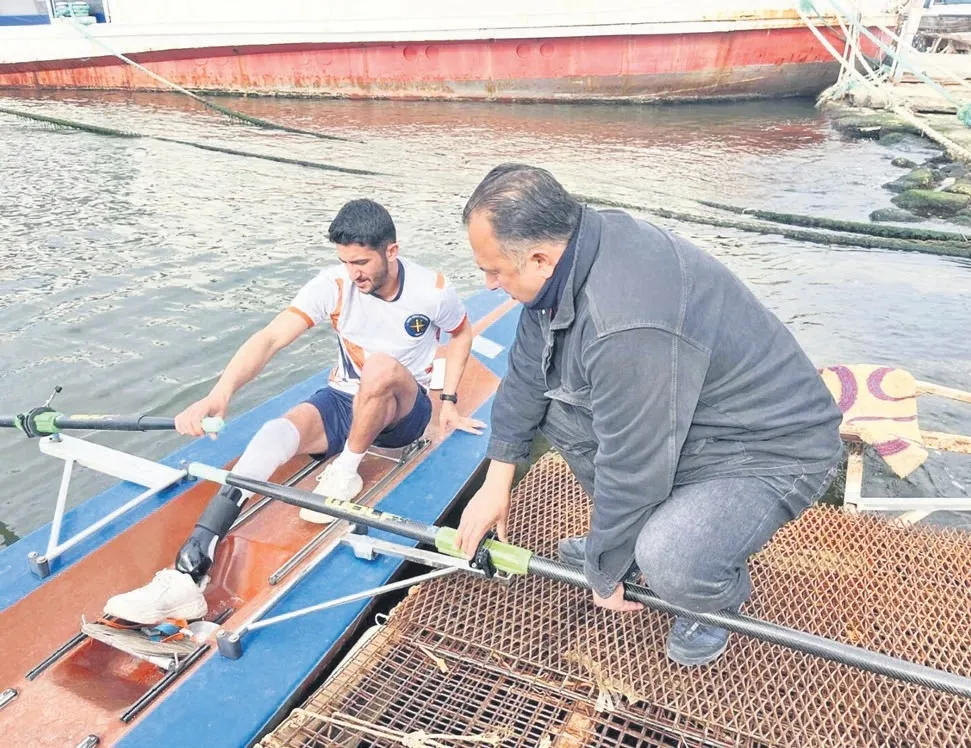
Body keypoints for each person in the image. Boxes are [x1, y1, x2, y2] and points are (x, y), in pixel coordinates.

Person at [454, 164, 843, 667]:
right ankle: (633, 542)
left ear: (539, 258)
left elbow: (633, 460)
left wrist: (605, 568)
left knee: (672, 561)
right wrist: (496, 481)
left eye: (495, 271)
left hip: (767, 448)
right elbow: (528, 374)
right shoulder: (572, 253)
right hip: (688, 420)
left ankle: (716, 596)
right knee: (556, 402)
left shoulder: (626, 322)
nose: (487, 284)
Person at [105, 198, 484, 624]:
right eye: (344, 262)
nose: (353, 273)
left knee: (378, 366)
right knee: (273, 433)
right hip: (345, 398)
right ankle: (191, 567)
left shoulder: (432, 290)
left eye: (361, 262)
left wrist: (447, 402)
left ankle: (345, 471)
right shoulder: (334, 285)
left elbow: (461, 331)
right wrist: (220, 393)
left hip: (402, 413)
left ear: (391, 252)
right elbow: (269, 339)